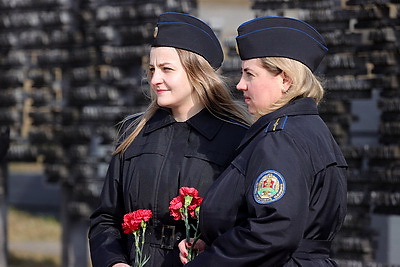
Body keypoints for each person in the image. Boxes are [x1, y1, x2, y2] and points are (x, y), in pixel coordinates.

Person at [179, 16, 348, 266]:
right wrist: (219, 243)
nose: (240, 85)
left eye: (250, 75)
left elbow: (272, 231)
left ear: (285, 80)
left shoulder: (282, 139)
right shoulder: (309, 129)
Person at [88, 12, 251, 267]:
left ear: (197, 73)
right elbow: (106, 219)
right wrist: (113, 262)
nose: (154, 80)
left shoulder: (237, 138)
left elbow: (246, 226)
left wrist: (211, 250)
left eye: (166, 69)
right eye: (152, 69)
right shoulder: (134, 131)